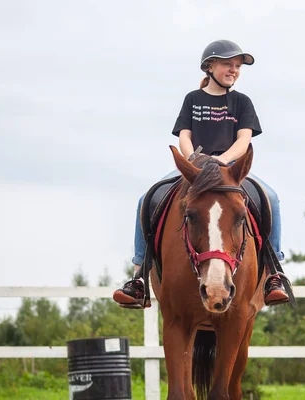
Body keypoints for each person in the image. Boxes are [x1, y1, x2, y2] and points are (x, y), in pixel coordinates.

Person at [113, 40, 289, 308]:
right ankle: (139, 276)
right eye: (228, 64)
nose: (234, 70)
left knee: (272, 199)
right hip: (196, 168)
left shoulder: (242, 102)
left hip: (230, 171)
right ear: (210, 66)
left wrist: (222, 160)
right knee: (145, 199)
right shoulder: (192, 99)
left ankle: (273, 273)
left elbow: (244, 141)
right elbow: (184, 136)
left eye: (237, 66)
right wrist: (194, 159)